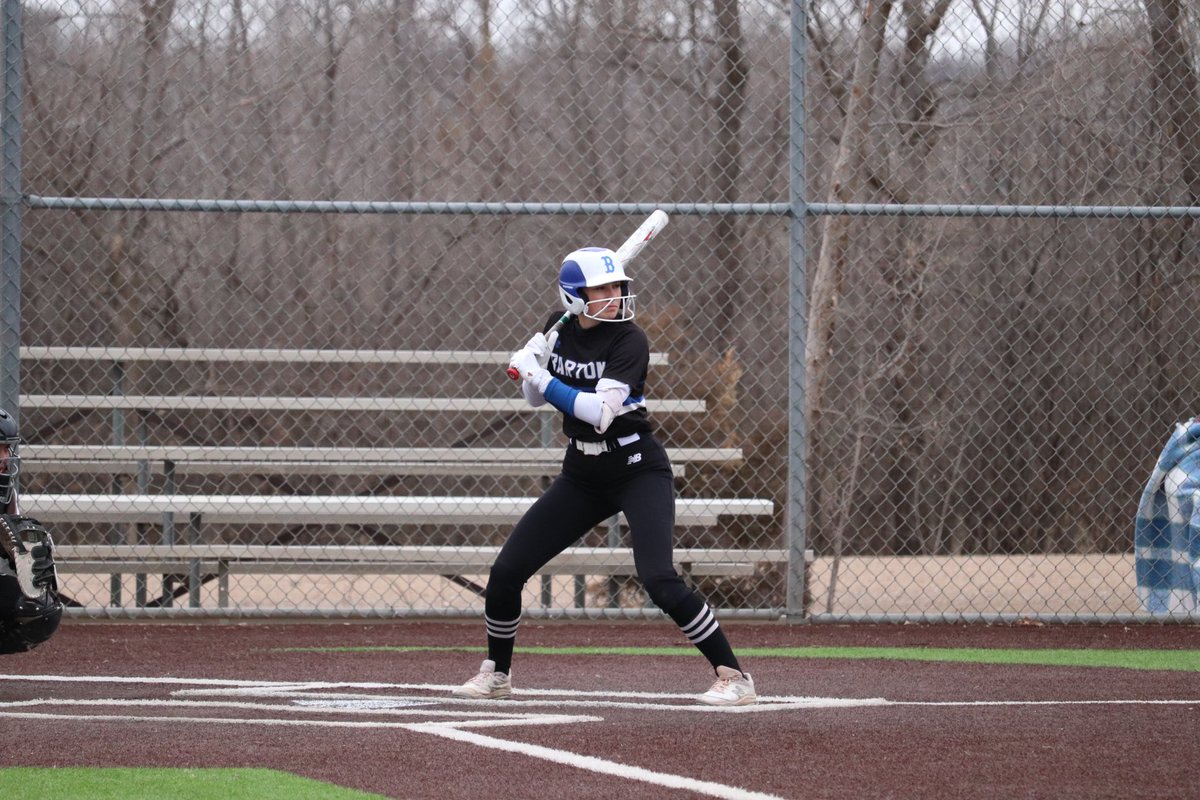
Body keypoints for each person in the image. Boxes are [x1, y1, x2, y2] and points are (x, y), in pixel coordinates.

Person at [452, 247, 757, 706]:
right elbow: (536, 401)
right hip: (582, 473)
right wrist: (532, 364)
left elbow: (599, 412)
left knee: (657, 577)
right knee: (506, 571)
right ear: (576, 297)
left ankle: (734, 676)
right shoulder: (560, 323)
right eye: (603, 289)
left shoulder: (629, 340)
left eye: (618, 287)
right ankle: (497, 672)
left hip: (637, 468)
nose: (615, 296)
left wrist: (540, 375)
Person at [0, 407, 63, 655]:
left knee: (39, 610)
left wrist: (17, 555)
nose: (6, 457)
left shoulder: (5, 491)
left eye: (6, 448)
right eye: (0, 448)